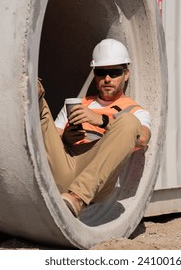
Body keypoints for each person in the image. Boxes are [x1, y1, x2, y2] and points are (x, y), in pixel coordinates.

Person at [38, 38, 151, 217]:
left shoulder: (135, 111)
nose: (107, 79)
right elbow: (48, 139)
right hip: (66, 165)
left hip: (98, 180)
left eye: (114, 73)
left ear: (126, 74)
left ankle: (78, 197)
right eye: (101, 72)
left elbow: (143, 138)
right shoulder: (78, 103)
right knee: (39, 108)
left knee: (128, 122)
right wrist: (66, 137)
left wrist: (100, 120)